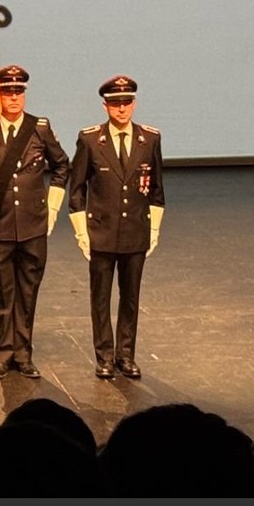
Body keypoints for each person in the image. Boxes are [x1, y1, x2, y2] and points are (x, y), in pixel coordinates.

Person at [0, 65, 70, 380]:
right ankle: (2, 354)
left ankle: (23, 353)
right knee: (1, 294)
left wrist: (52, 208)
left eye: (18, 93)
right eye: (7, 93)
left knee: (28, 293)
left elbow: (61, 166)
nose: (13, 99)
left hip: (32, 226)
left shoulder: (39, 128)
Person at [68, 75, 165, 379]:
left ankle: (126, 355)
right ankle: (105, 356)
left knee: (131, 297)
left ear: (133, 104)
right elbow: (77, 189)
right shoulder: (90, 140)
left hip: (136, 230)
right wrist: (82, 232)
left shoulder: (149, 139)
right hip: (102, 231)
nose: (121, 109)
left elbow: (157, 189)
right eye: (115, 103)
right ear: (105, 106)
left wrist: (154, 230)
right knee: (100, 298)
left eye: (126, 102)